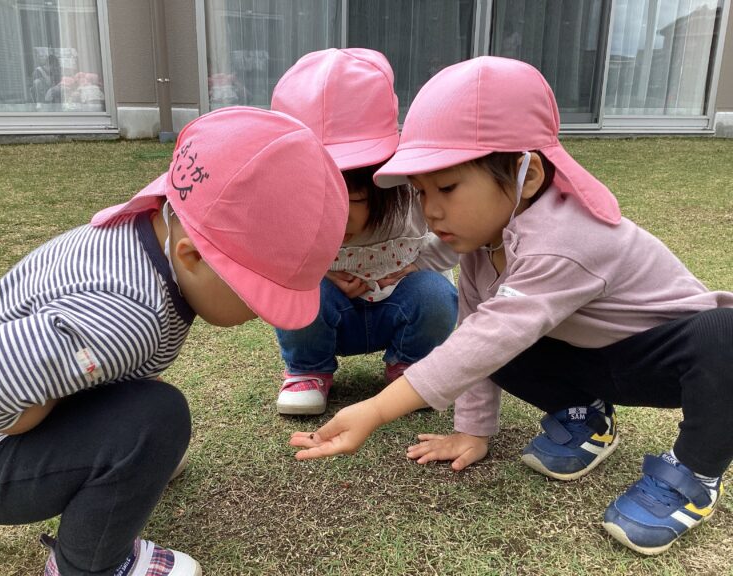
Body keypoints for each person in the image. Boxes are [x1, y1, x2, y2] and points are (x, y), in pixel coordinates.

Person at [289, 56, 733, 556]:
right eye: (421, 192)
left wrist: (374, 410)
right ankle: (585, 416)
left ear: (528, 173)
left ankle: (693, 475)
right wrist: (472, 430)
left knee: (725, 333)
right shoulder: (482, 245)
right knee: (492, 336)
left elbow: (491, 337)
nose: (431, 210)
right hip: (593, 359)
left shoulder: (565, 238)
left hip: (667, 361)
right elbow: (482, 338)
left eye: (449, 188)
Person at [0, 107, 348, 575]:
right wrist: (27, 415)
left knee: (140, 427)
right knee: (155, 420)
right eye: (258, 298)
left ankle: (119, 469)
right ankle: (90, 566)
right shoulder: (127, 313)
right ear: (191, 257)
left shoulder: (139, 237)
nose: (261, 315)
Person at [269, 48, 459, 416]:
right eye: (315, 201)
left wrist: (416, 267)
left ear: (382, 182)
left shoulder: (410, 199)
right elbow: (273, 259)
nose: (330, 218)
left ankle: (409, 367)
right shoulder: (284, 208)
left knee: (436, 294)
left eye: (348, 202)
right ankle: (308, 369)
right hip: (331, 315)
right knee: (299, 295)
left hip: (397, 308)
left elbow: (455, 241)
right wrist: (320, 273)